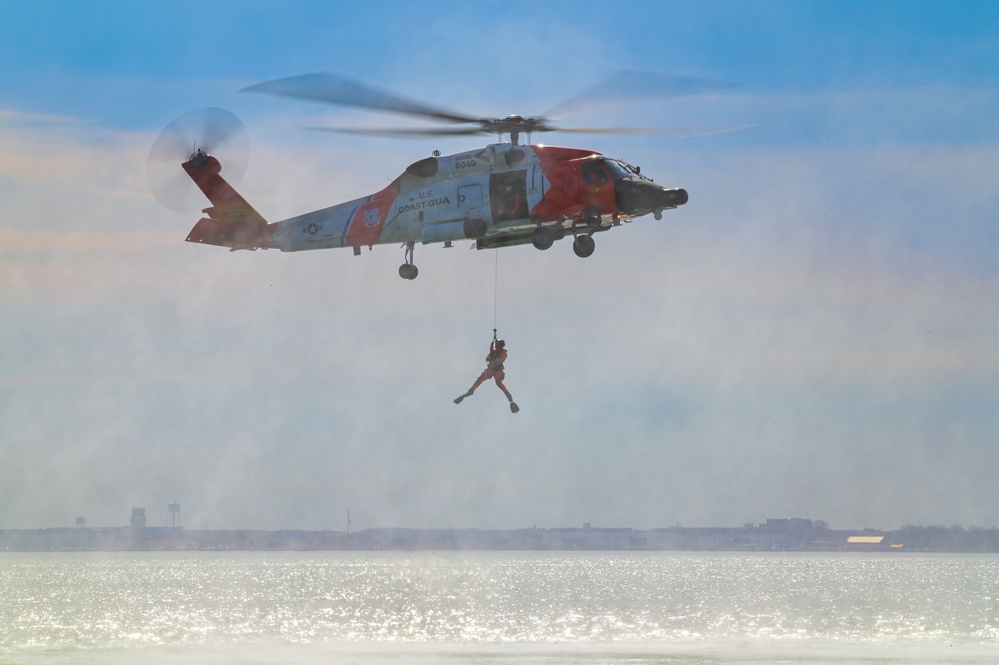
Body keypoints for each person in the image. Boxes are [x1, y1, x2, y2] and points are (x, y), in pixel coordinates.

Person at [454, 332, 519, 413]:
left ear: (501, 345)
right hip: (491, 369)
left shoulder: (503, 352)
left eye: (497, 343)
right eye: (496, 343)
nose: (496, 345)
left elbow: (501, 359)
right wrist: (489, 357)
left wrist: (494, 359)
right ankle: (470, 391)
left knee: (499, 384)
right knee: (480, 379)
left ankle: (510, 399)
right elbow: (487, 358)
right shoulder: (494, 351)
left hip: (497, 370)